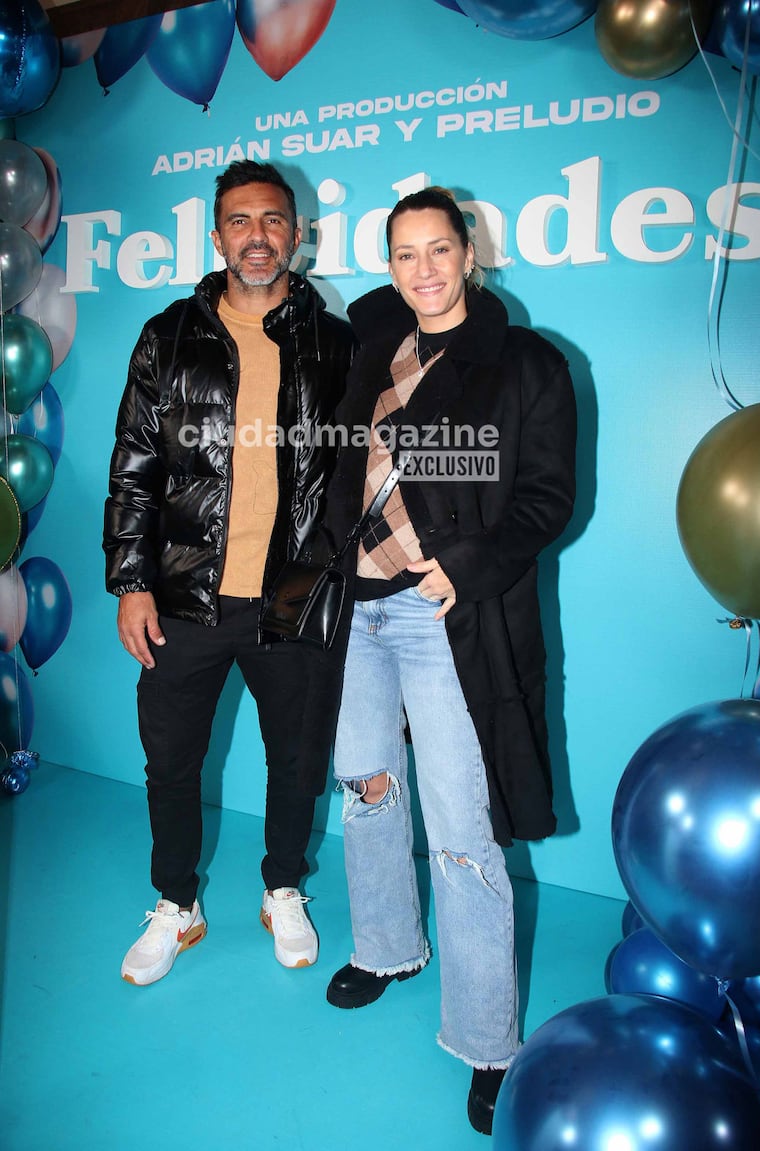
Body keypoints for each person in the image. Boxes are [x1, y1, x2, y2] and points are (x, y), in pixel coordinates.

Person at [316, 187, 577, 1135]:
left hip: (445, 617)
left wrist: (460, 564)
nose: (422, 270)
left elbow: (547, 499)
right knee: (368, 787)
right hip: (356, 610)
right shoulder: (367, 347)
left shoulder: (527, 364)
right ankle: (387, 945)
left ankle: (487, 1039)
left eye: (438, 250)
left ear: (469, 252)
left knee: (463, 830)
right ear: (388, 264)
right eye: (403, 254)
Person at [103, 160, 355, 986]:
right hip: (182, 594)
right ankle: (178, 904)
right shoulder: (167, 334)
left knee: (296, 757)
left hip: (291, 594)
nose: (257, 236)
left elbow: (359, 467)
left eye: (273, 220)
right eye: (240, 221)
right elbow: (134, 466)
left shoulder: (335, 341)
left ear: (296, 232)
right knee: (171, 761)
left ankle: (282, 885)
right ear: (217, 236)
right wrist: (130, 580)